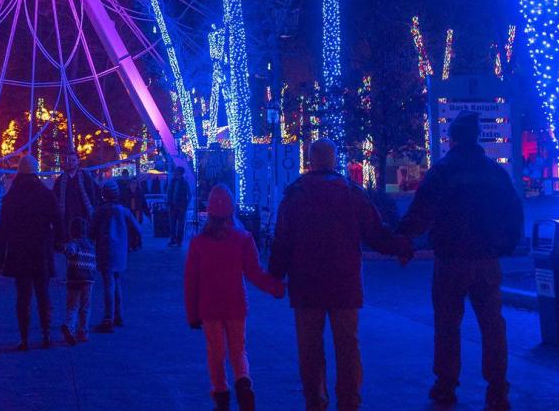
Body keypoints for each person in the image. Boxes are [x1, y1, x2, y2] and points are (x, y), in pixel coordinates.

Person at [269, 138, 409, 411]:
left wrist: (275, 274)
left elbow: (282, 240)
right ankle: (349, 401)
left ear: (311, 161)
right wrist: (401, 247)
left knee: (310, 348)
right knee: (347, 345)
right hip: (344, 284)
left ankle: (315, 401)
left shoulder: (295, 194)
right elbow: (374, 232)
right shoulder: (351, 192)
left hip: (306, 285)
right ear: (333, 160)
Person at [397, 111, 524, 411]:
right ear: (476, 137)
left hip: (451, 259)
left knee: (447, 324)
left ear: (452, 138)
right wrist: (504, 246)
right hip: (486, 259)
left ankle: (446, 385)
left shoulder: (443, 171)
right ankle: (497, 390)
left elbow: (421, 211)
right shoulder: (495, 173)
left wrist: (402, 241)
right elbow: (513, 212)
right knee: (492, 325)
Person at [185, 184, 286, 411]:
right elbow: (254, 273)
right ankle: (243, 380)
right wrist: (276, 287)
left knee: (216, 352)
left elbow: (191, 281)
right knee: (238, 349)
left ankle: (221, 395)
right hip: (235, 304)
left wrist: (192, 314)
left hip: (209, 307)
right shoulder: (243, 238)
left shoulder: (199, 243)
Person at [0, 154, 65, 350]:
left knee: (23, 297)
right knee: (43, 294)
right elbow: (58, 222)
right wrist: (60, 243)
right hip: (41, 251)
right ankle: (46, 334)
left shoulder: (11, 197)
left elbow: (3, 230)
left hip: (19, 252)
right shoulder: (46, 194)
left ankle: (24, 338)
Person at [90, 178, 142, 332]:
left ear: (104, 195)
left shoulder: (100, 211)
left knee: (108, 284)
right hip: (120, 251)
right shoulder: (123, 210)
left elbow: (91, 232)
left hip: (105, 249)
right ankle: (119, 316)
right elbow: (137, 228)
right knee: (117, 282)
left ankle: (108, 319)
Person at [59, 216, 97, 345]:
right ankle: (84, 331)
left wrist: (63, 248)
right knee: (85, 306)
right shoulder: (90, 244)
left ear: (72, 231)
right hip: (89, 280)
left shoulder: (73, 243)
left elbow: (70, 252)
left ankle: (69, 327)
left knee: (72, 306)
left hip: (74, 278)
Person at [53, 151, 98, 233]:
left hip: (82, 215)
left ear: (78, 161)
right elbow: (55, 197)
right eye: (69, 160)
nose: (71, 163)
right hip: (66, 216)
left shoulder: (86, 178)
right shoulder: (60, 180)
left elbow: (92, 195)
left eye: (73, 160)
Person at [166, 165, 191, 246]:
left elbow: (189, 194)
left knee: (180, 224)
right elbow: (168, 192)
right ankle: (174, 239)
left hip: (181, 206)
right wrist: (169, 201)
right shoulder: (173, 181)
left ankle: (178, 240)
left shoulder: (184, 182)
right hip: (173, 206)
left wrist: (186, 204)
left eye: (178, 173)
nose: (177, 174)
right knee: (173, 224)